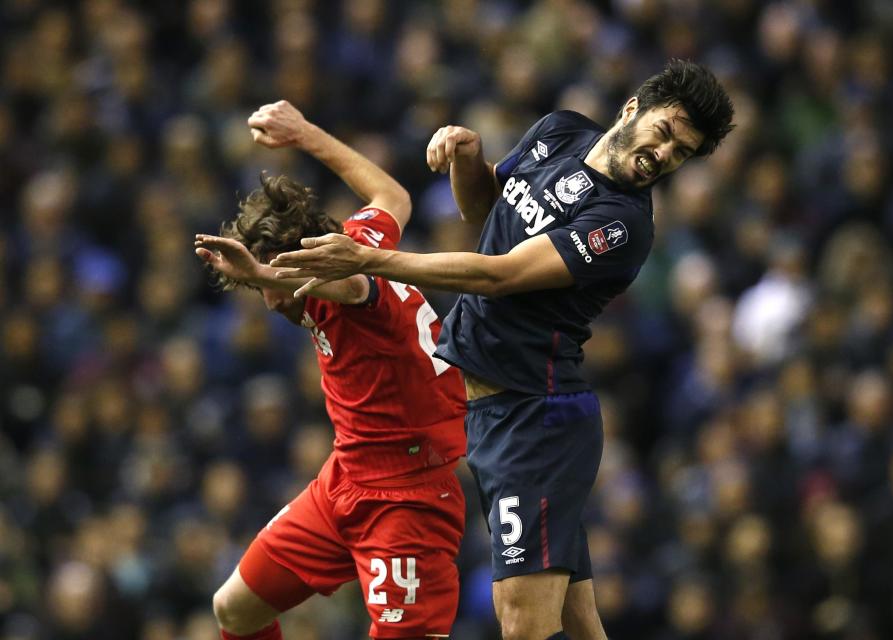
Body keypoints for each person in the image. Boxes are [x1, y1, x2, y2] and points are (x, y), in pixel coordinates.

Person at [270, 59, 735, 640]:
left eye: (682, 153)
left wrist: (368, 259)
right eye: (666, 133)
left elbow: (502, 275)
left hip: (535, 423)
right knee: (580, 622)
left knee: (522, 625)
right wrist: (468, 159)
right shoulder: (559, 131)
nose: (666, 154)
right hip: (495, 416)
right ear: (634, 108)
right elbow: (487, 209)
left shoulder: (622, 224)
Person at [194, 100, 467, 640]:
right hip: (344, 481)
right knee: (235, 610)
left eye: (272, 285)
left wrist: (264, 274)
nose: (271, 303)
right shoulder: (360, 238)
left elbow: (351, 286)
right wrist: (305, 133)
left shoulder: (349, 280)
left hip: (407, 501)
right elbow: (394, 196)